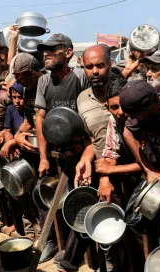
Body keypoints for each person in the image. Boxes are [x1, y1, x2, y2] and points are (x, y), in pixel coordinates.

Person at [43, 44, 112, 272]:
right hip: (98, 166)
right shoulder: (82, 99)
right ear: (83, 67)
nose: (95, 71)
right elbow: (91, 140)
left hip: (128, 168)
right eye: (89, 66)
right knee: (85, 213)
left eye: (100, 65)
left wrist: (108, 174)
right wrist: (85, 159)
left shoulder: (121, 93)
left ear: (110, 64)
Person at [34, 33, 89, 177]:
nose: (46, 53)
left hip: (79, 152)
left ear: (68, 53)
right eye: (45, 50)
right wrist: (43, 158)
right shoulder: (43, 81)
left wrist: (81, 144)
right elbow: (40, 118)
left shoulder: (80, 76)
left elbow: (89, 113)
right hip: (54, 151)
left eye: (52, 49)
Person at [9, 52, 47, 152]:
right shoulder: (27, 90)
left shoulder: (49, 84)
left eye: (19, 77)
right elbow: (28, 121)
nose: (17, 82)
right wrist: (17, 137)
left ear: (31, 72)